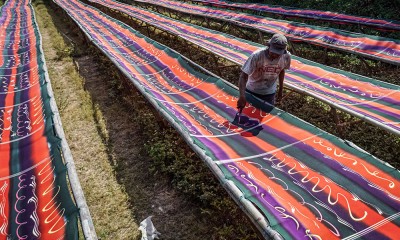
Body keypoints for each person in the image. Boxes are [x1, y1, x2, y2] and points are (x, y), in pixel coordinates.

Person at [237, 33, 291, 109]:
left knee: (263, 116)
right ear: (269, 46)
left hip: (269, 93)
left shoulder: (286, 57)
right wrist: (242, 96)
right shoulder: (257, 56)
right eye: (273, 52)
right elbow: (243, 76)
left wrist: (280, 90)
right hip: (252, 91)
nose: (275, 55)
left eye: (278, 54)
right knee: (246, 116)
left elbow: (281, 71)